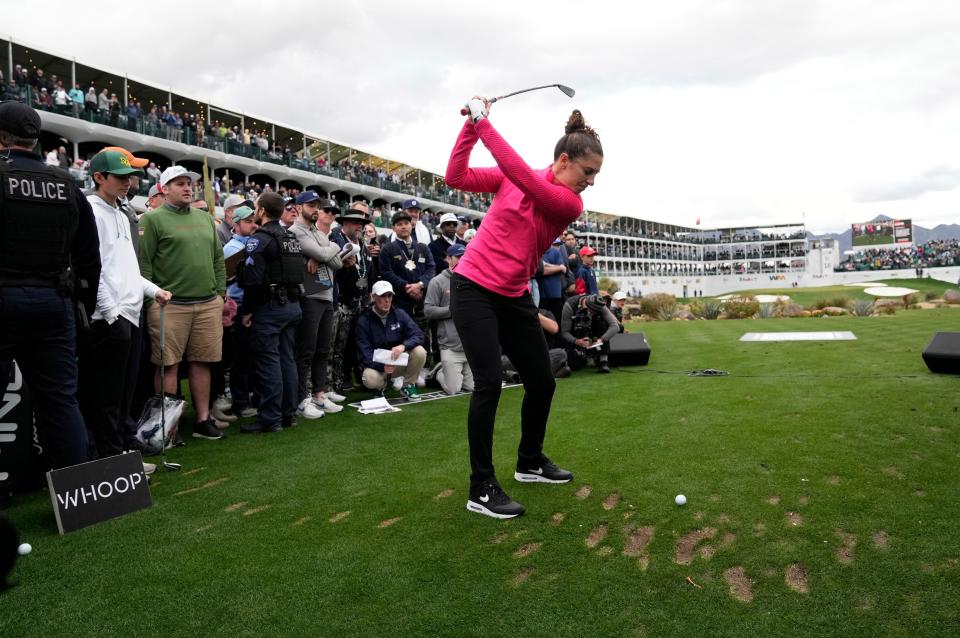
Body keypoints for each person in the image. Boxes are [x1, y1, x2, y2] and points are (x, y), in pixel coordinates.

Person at [446, 100, 603, 519]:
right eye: (587, 172)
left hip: (514, 296)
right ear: (564, 160)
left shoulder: (568, 203)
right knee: (489, 384)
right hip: (473, 288)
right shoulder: (517, 177)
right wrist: (470, 127)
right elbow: (455, 176)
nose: (590, 182)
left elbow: (520, 176)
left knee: (542, 382)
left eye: (595, 176)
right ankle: (481, 487)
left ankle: (529, 461)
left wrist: (483, 123)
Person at [0, 102, 101, 473]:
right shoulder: (67, 185)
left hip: (7, 298)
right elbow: (90, 260)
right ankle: (78, 495)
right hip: (54, 304)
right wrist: (82, 311)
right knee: (60, 401)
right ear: (35, 139)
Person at [79, 150, 172, 460]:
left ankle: (119, 453)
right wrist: (110, 313)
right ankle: (109, 458)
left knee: (124, 394)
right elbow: (94, 268)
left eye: (130, 176)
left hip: (128, 315)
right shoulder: (90, 210)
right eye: (121, 177)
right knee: (105, 396)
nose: (129, 182)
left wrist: (152, 289)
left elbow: (127, 268)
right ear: (99, 177)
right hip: (109, 318)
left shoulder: (122, 212)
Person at [138, 165, 227, 441]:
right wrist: (152, 300)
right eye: (180, 183)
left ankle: (202, 420)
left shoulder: (204, 218)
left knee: (203, 362)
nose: (188, 188)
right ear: (164, 189)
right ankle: (167, 426)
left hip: (206, 302)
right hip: (169, 306)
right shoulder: (151, 220)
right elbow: (145, 265)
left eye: (189, 183)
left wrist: (220, 294)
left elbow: (217, 259)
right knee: (168, 365)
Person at [236, 192, 303, 433]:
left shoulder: (261, 239)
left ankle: (270, 418)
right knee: (287, 359)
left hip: (270, 307)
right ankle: (288, 414)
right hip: (292, 305)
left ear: (262, 211)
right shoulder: (289, 236)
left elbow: (253, 281)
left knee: (269, 361)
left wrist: (246, 311)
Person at [287, 191, 343, 419]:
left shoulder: (315, 232)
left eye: (317, 205)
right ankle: (302, 399)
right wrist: (323, 253)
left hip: (326, 295)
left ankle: (319, 394)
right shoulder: (295, 231)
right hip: (309, 296)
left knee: (322, 349)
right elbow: (327, 252)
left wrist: (320, 255)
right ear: (299, 207)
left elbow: (337, 261)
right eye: (311, 205)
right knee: (306, 350)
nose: (316, 209)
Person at [328, 202, 375, 395]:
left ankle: (348, 377)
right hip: (343, 301)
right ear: (345, 223)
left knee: (354, 343)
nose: (360, 226)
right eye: (356, 222)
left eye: (362, 223)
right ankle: (336, 383)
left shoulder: (362, 243)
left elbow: (366, 271)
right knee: (338, 346)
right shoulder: (337, 239)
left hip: (359, 301)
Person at [354, 281, 426, 401]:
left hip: (398, 362)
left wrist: (404, 346)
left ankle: (408, 385)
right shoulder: (363, 321)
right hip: (378, 366)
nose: (387, 300)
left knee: (420, 352)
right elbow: (364, 354)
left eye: (389, 296)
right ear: (373, 297)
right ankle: (381, 387)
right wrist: (382, 366)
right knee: (368, 378)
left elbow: (419, 335)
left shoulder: (399, 314)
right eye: (382, 296)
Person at [424, 244, 474, 395]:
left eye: (465, 256)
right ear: (448, 259)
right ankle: (438, 371)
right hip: (450, 345)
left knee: (473, 388)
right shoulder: (437, 281)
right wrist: (453, 311)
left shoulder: (473, 278)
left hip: (470, 344)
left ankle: (449, 371)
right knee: (453, 390)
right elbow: (428, 310)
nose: (462, 260)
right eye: (458, 257)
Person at [559, 294, 619, 373]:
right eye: (589, 311)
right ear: (585, 303)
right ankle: (584, 356)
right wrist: (576, 341)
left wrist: (601, 340)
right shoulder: (569, 305)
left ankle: (603, 361)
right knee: (575, 365)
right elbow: (565, 332)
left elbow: (615, 326)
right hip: (575, 334)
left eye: (593, 313)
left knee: (603, 323)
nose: (590, 314)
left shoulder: (600, 305)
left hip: (594, 331)